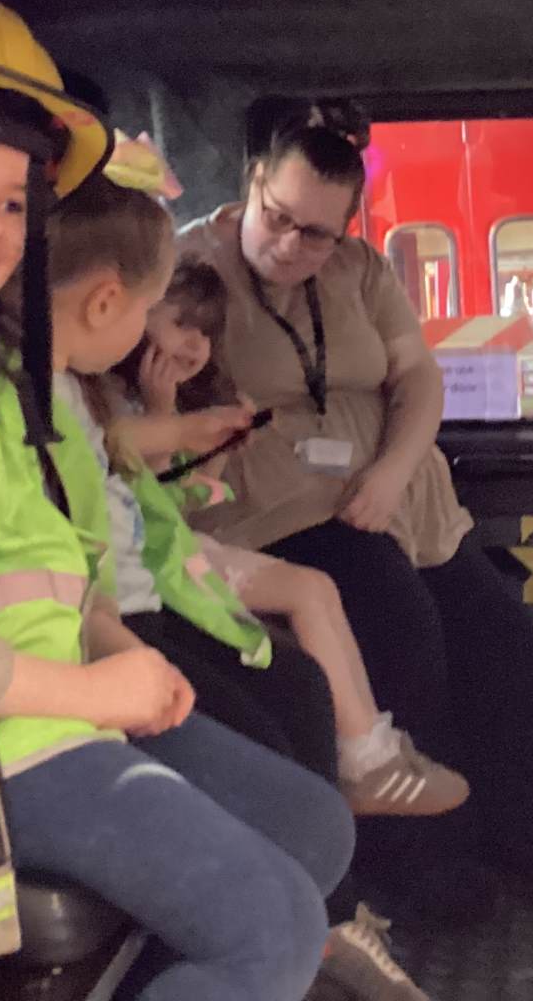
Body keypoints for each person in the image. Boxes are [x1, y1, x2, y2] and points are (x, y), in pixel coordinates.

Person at [0, 0, 353, 1001]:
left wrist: (115, 648)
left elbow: (35, 562)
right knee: (274, 930)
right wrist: (93, 695)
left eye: (12, 204)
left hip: (42, 712)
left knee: (313, 830)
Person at [178, 102, 533, 925]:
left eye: (317, 234)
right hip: (281, 511)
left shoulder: (361, 272)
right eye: (278, 218)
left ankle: (502, 819)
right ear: (253, 183)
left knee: (501, 650)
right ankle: (411, 862)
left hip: (399, 501)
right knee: (404, 638)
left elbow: (417, 376)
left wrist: (392, 471)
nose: (290, 245)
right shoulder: (192, 268)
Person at [38, 165, 445, 1001]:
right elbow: (84, 540)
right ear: (112, 303)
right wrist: (115, 652)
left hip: (135, 608)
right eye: (155, 312)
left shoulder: (74, 389)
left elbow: (113, 519)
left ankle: (333, 899)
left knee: (300, 692)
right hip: (101, 649)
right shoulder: (43, 397)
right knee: (279, 759)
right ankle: (310, 926)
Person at [120, 253, 470, 819]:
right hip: (151, 555)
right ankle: (365, 760)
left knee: (318, 588)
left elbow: (184, 500)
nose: (193, 344)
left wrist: (215, 454)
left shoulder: (190, 401)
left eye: (205, 333)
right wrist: (169, 419)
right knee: (307, 594)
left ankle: (374, 745)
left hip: (176, 540)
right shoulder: (119, 404)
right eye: (179, 323)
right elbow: (150, 495)